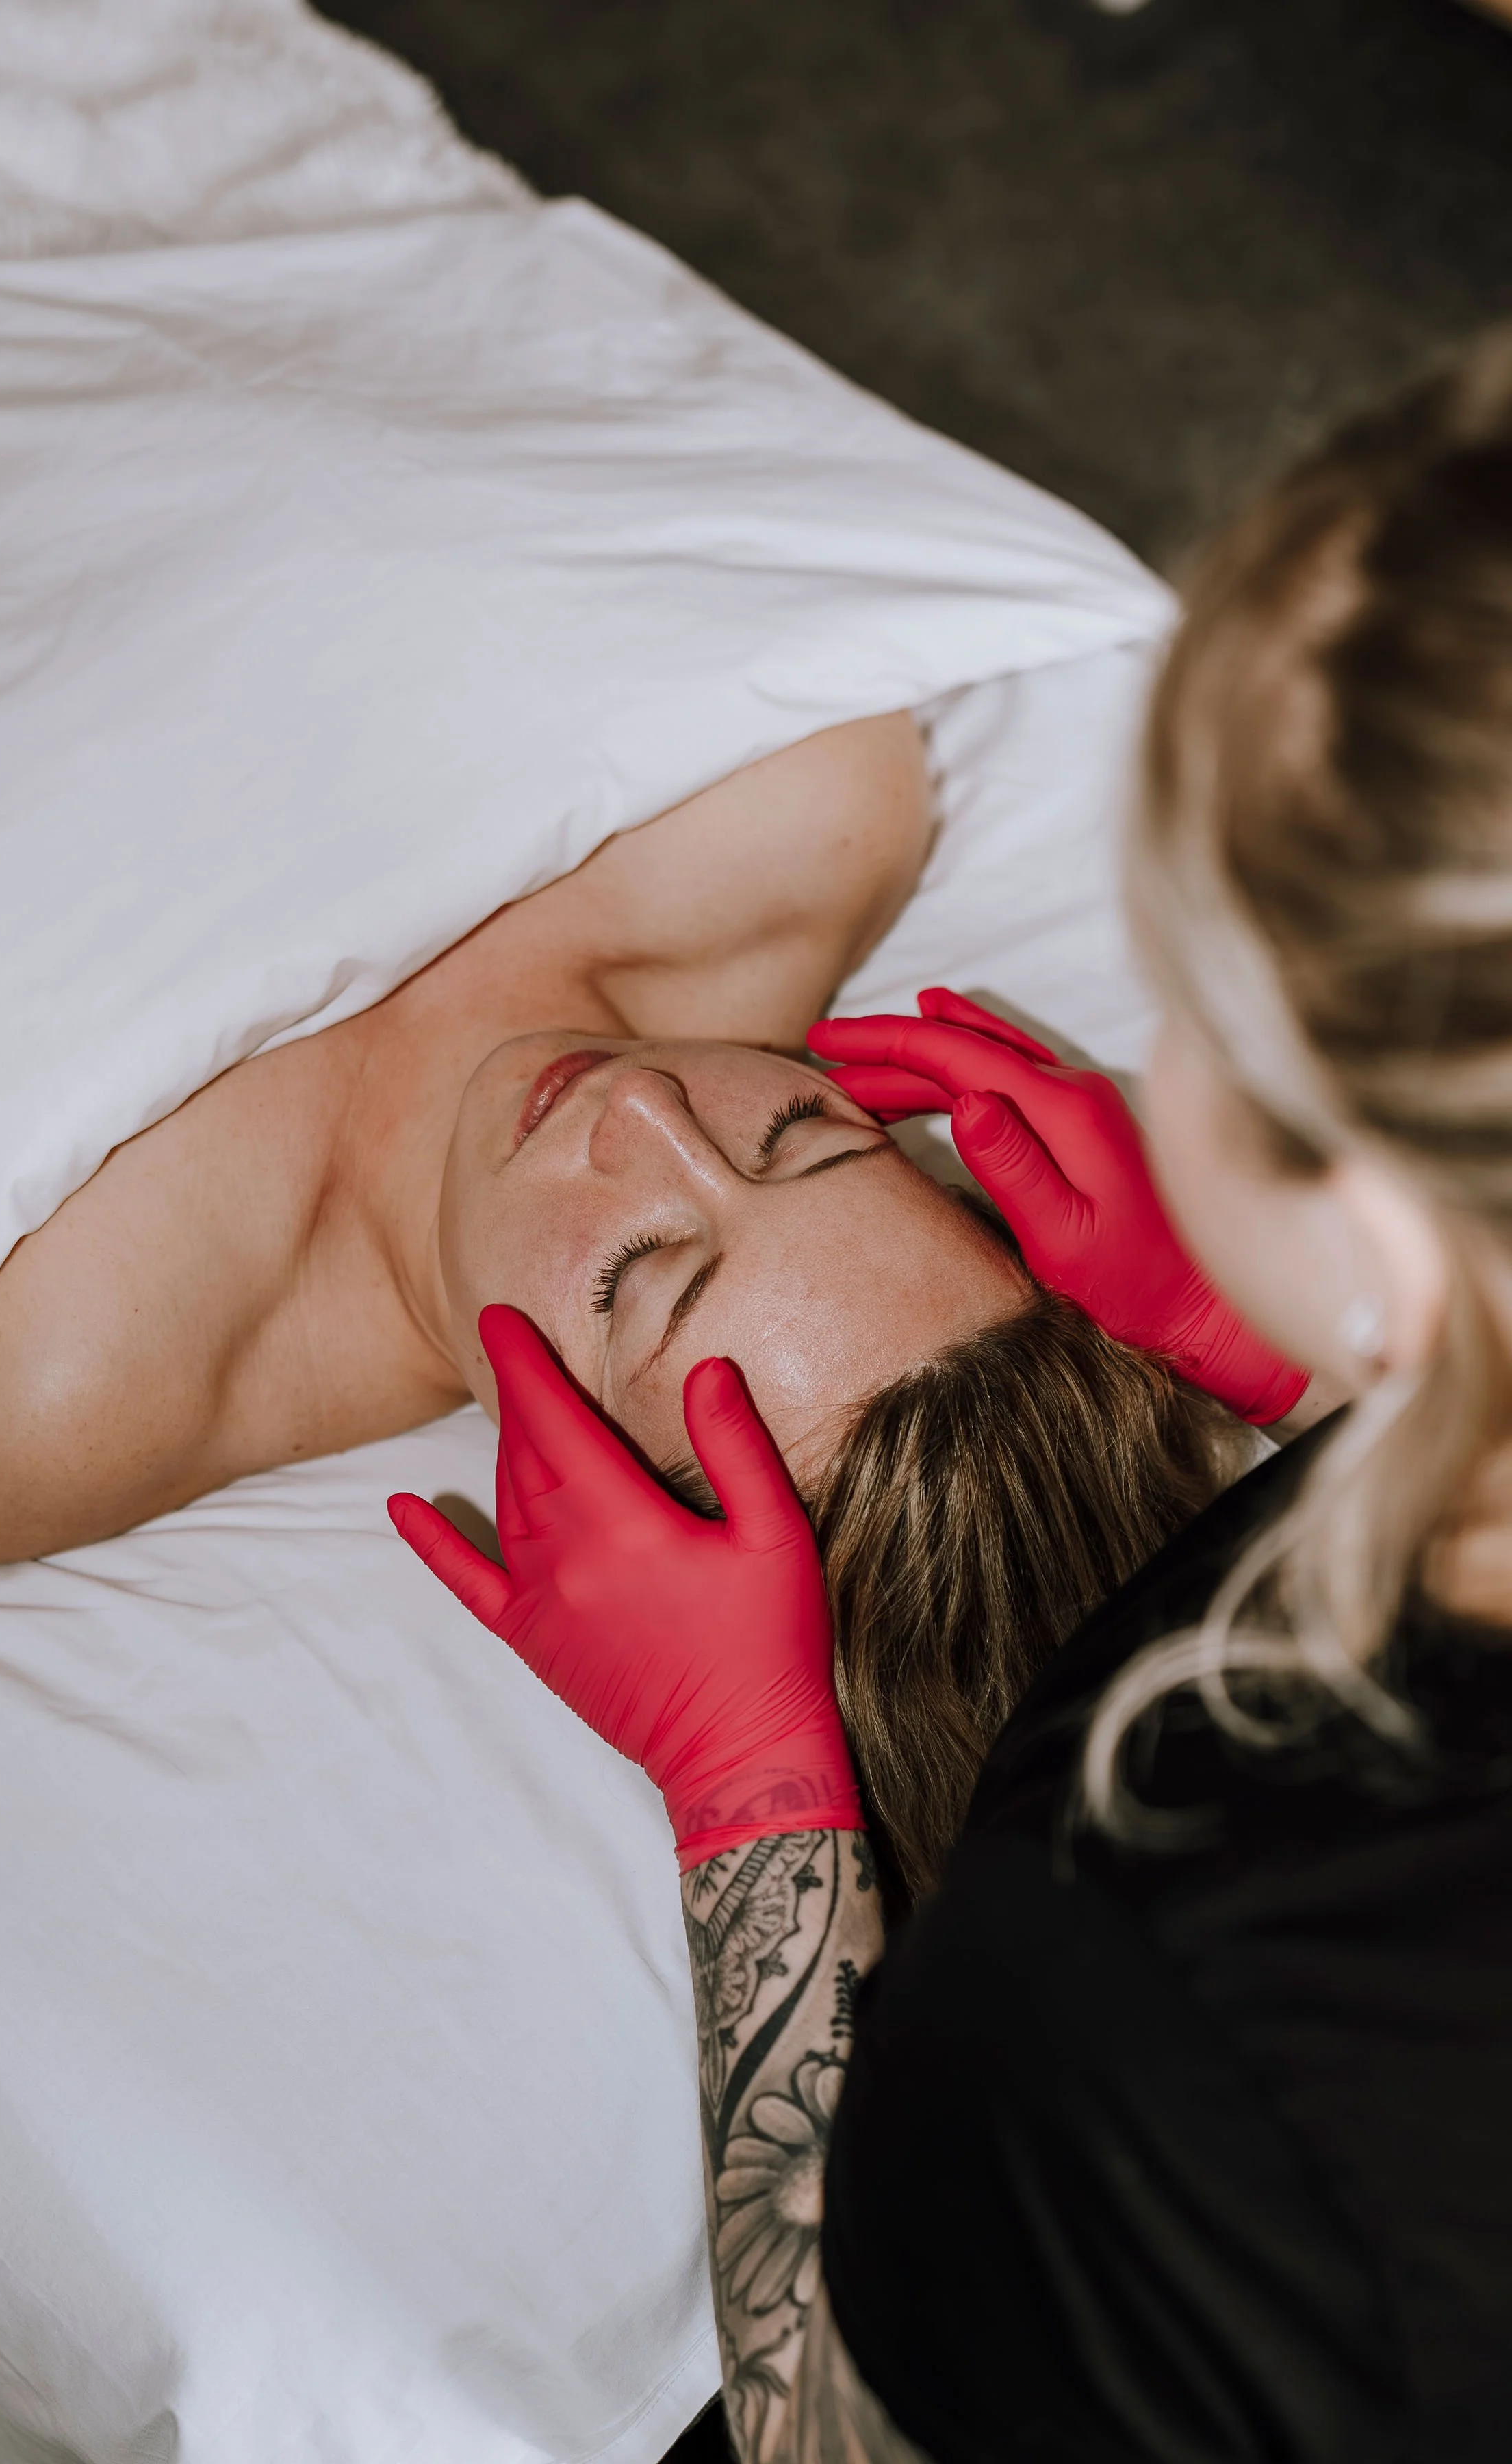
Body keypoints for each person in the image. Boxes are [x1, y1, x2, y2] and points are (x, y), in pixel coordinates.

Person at [395, 329, 1512, 2461]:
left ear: (1385, 1219)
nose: (647, 1117)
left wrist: (756, 1814)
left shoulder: (1144, 1997)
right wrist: (1307, 1361)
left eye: (1192, 1014)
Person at [0, 705, 1258, 1892]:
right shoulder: (794, 809)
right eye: (809, 1140)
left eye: (638, 1274)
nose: (647, 1106)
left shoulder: (29, 1375)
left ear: (573, 1495)